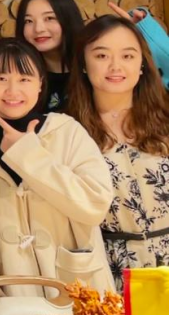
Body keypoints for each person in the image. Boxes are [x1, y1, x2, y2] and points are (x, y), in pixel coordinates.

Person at [0, 38, 114, 296]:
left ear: (40, 83)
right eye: (1, 78)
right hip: (12, 290)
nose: (13, 90)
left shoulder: (66, 131)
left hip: (75, 285)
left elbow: (95, 204)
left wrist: (28, 155)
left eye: (24, 79)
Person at [67, 15, 169, 291]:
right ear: (84, 64)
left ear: (142, 64)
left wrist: (148, 27)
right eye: (102, 55)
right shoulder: (67, 131)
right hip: (109, 271)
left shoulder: (165, 119)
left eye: (128, 55)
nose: (115, 66)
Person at [16, 0, 84, 112]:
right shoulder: (18, 74)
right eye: (29, 21)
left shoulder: (90, 68)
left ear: (68, 19)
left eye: (49, 18)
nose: (38, 29)